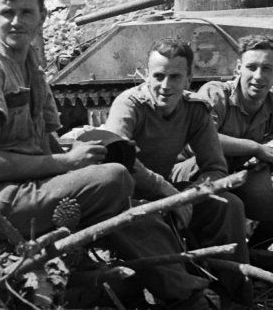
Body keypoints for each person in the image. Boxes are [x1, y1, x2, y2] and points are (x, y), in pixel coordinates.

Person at [0, 0, 208, 308]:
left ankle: (182, 279)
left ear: (42, 17)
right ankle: (181, 292)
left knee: (113, 162)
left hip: (26, 184)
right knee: (113, 179)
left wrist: (83, 156)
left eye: (26, 12)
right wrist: (68, 163)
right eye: (6, 12)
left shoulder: (30, 68)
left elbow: (47, 142)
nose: (15, 21)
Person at [103, 37, 252, 304]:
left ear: (188, 79)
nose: (165, 85)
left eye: (175, 76)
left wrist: (193, 196)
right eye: (158, 76)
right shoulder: (129, 105)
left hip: (169, 195)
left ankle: (233, 296)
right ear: (147, 75)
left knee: (228, 205)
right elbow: (119, 161)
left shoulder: (195, 109)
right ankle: (185, 294)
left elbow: (215, 166)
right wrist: (169, 193)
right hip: (125, 195)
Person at [197, 34, 273, 250]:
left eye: (266, 68)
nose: (258, 76)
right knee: (227, 203)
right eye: (251, 67)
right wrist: (255, 148)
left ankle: (258, 248)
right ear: (238, 68)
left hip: (235, 176)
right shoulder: (215, 93)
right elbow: (201, 139)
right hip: (197, 175)